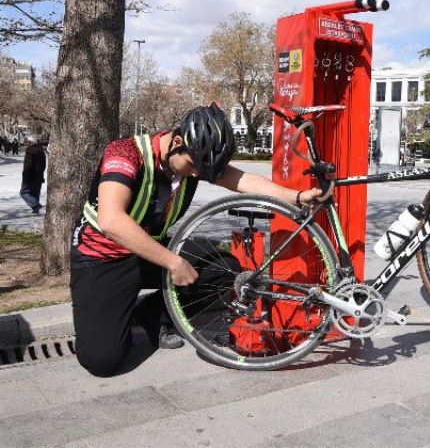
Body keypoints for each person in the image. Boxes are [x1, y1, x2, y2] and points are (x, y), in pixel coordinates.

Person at [70, 103, 323, 377]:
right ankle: (115, 309)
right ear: (177, 142)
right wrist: (173, 262)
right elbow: (111, 221)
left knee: (226, 269)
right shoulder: (125, 153)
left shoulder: (192, 161)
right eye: (194, 166)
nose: (196, 173)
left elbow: (244, 180)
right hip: (102, 258)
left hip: (146, 251)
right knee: (103, 361)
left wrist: (295, 196)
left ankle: (152, 315)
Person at [20, 136, 47, 213]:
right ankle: (36, 209)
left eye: (27, 142)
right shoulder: (41, 151)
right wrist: (40, 172)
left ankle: (36, 205)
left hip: (30, 176)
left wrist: (26, 176)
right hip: (39, 175)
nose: (26, 144)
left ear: (30, 143)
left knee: (23, 192)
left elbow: (28, 166)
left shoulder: (29, 151)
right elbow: (43, 165)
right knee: (35, 192)